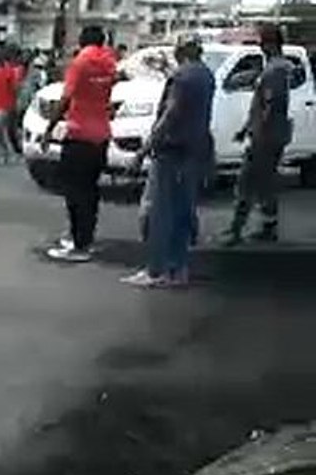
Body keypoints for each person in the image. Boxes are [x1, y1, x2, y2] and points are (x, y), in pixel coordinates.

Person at [125, 35, 214, 287]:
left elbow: (171, 113)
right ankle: (178, 268)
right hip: (194, 149)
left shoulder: (182, 78)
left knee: (160, 212)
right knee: (183, 212)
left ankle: (157, 270)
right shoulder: (205, 75)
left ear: (181, 51)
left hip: (172, 150)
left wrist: (143, 150)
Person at [43, 25, 117, 262]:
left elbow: (66, 98)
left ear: (83, 40)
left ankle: (78, 245)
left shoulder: (80, 62)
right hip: (101, 135)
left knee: (74, 191)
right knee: (90, 190)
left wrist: (49, 128)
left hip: (79, 134)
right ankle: (85, 237)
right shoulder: (109, 62)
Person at [222, 23, 293, 245]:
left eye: (262, 41)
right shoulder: (275, 67)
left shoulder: (276, 70)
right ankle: (267, 226)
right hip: (268, 133)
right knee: (263, 182)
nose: (260, 46)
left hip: (266, 136)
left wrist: (257, 132)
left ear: (270, 43)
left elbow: (271, 105)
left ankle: (236, 229)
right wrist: (246, 129)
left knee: (247, 181)